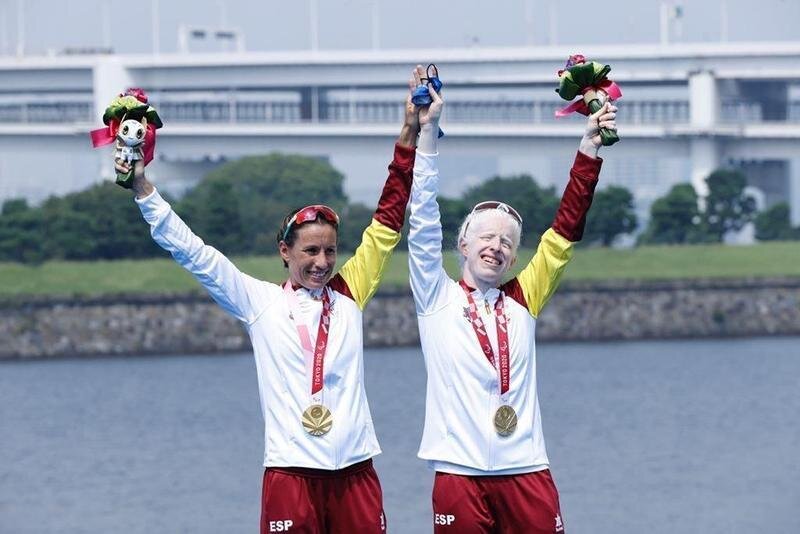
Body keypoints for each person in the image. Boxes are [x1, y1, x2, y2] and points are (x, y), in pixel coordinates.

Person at [116, 69, 425, 534]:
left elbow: (387, 219)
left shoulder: (351, 290)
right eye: (310, 252)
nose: (322, 262)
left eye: (329, 251)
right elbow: (194, 252)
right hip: (290, 474)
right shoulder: (258, 302)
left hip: (356, 471)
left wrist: (409, 133)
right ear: (285, 252)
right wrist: (144, 190)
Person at [407, 65, 618, 533]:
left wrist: (589, 150)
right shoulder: (435, 296)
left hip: (525, 467)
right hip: (458, 473)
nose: (496, 246)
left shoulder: (526, 296)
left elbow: (565, 230)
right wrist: (429, 136)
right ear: (462, 246)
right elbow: (421, 221)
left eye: (507, 241)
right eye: (485, 237)